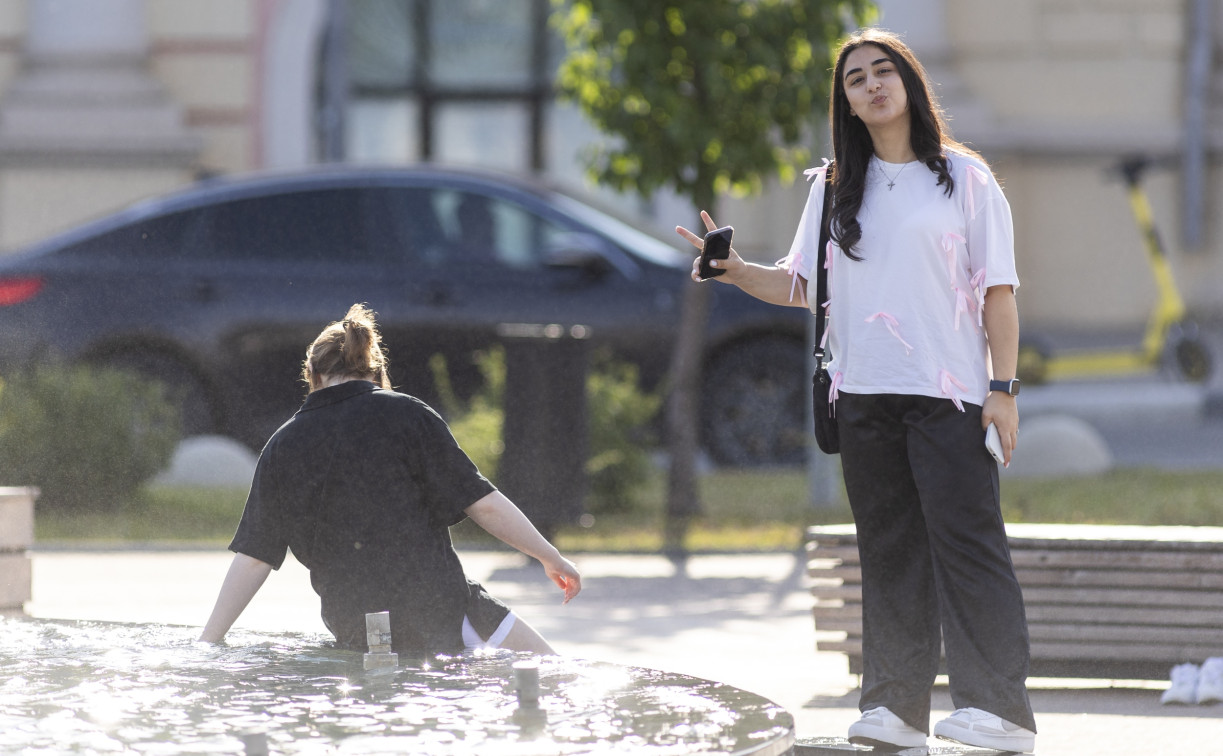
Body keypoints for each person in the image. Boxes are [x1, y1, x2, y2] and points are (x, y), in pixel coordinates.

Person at [675, 28, 1036, 754]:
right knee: (888, 550)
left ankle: (1000, 713)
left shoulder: (965, 180)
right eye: (854, 80)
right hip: (863, 393)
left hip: (953, 395)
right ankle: (894, 712)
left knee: (967, 548)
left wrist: (1002, 387)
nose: (870, 85)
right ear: (845, 101)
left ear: (907, 82)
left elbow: (997, 290)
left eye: (882, 72)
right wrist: (737, 271)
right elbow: (802, 284)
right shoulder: (837, 185)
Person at [199, 303, 581, 658]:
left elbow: (253, 560)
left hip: (359, 634)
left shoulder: (282, 445)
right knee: (557, 683)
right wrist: (550, 557)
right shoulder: (407, 415)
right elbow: (483, 503)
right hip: (445, 614)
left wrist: (207, 643)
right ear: (377, 371)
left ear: (312, 376)